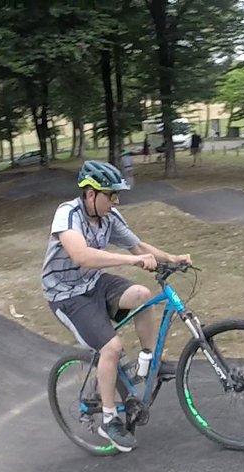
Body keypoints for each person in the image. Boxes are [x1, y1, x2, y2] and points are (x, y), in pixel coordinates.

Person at [41, 160, 192, 452]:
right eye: (111, 195)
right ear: (90, 194)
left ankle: (151, 362)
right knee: (111, 348)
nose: (116, 200)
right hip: (65, 295)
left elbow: (139, 247)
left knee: (142, 294)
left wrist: (172, 259)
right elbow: (81, 256)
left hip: (93, 284)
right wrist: (132, 261)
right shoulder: (68, 214)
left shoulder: (110, 217)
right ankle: (109, 420)